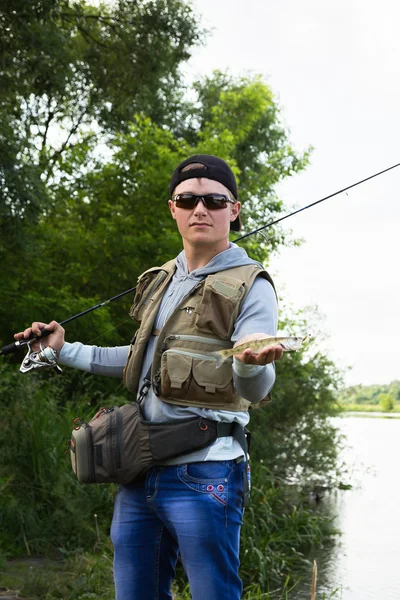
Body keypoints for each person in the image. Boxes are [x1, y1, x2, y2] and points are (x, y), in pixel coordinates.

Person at [14, 154, 284, 600]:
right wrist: (61, 349)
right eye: (188, 199)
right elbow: (142, 357)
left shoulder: (252, 284)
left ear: (233, 211)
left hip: (208, 470)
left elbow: (254, 388)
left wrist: (251, 363)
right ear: (173, 208)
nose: (201, 209)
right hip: (140, 471)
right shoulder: (164, 279)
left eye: (214, 200)